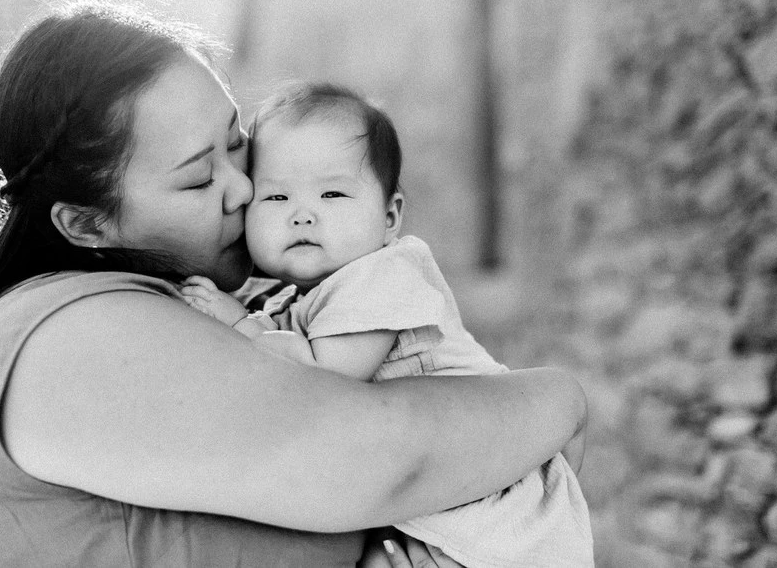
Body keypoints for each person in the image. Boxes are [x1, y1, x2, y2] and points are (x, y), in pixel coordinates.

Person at [0, 0, 588, 567]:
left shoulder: (208, 305)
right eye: (200, 177)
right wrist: (558, 396)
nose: (244, 188)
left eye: (238, 142)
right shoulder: (66, 331)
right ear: (87, 224)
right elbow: (381, 460)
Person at [181, 82, 594, 567]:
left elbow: (326, 377)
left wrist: (236, 322)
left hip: (489, 496)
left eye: (332, 193)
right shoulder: (296, 299)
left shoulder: (384, 275)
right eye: (275, 198)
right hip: (430, 486)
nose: (302, 215)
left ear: (390, 216)